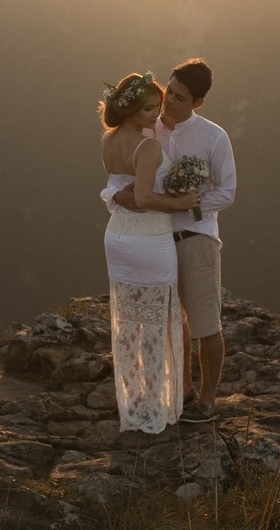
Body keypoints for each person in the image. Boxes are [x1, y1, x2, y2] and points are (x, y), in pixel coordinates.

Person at [105, 58, 237, 424]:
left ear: (198, 103)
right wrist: (120, 197)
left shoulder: (214, 137)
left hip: (196, 237)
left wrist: (188, 206)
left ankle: (208, 402)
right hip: (154, 238)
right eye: (170, 90)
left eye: (180, 97)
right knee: (168, 320)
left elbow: (227, 192)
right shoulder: (149, 130)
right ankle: (181, 391)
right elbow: (124, 174)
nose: (169, 102)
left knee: (206, 324)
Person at [99, 71, 201, 434]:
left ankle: (134, 402)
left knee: (128, 323)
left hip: (117, 239)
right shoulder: (149, 147)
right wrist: (182, 202)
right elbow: (143, 199)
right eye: (147, 108)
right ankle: (159, 406)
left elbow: (118, 190)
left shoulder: (109, 140)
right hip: (149, 241)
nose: (154, 114)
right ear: (128, 109)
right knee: (160, 320)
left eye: (156, 107)